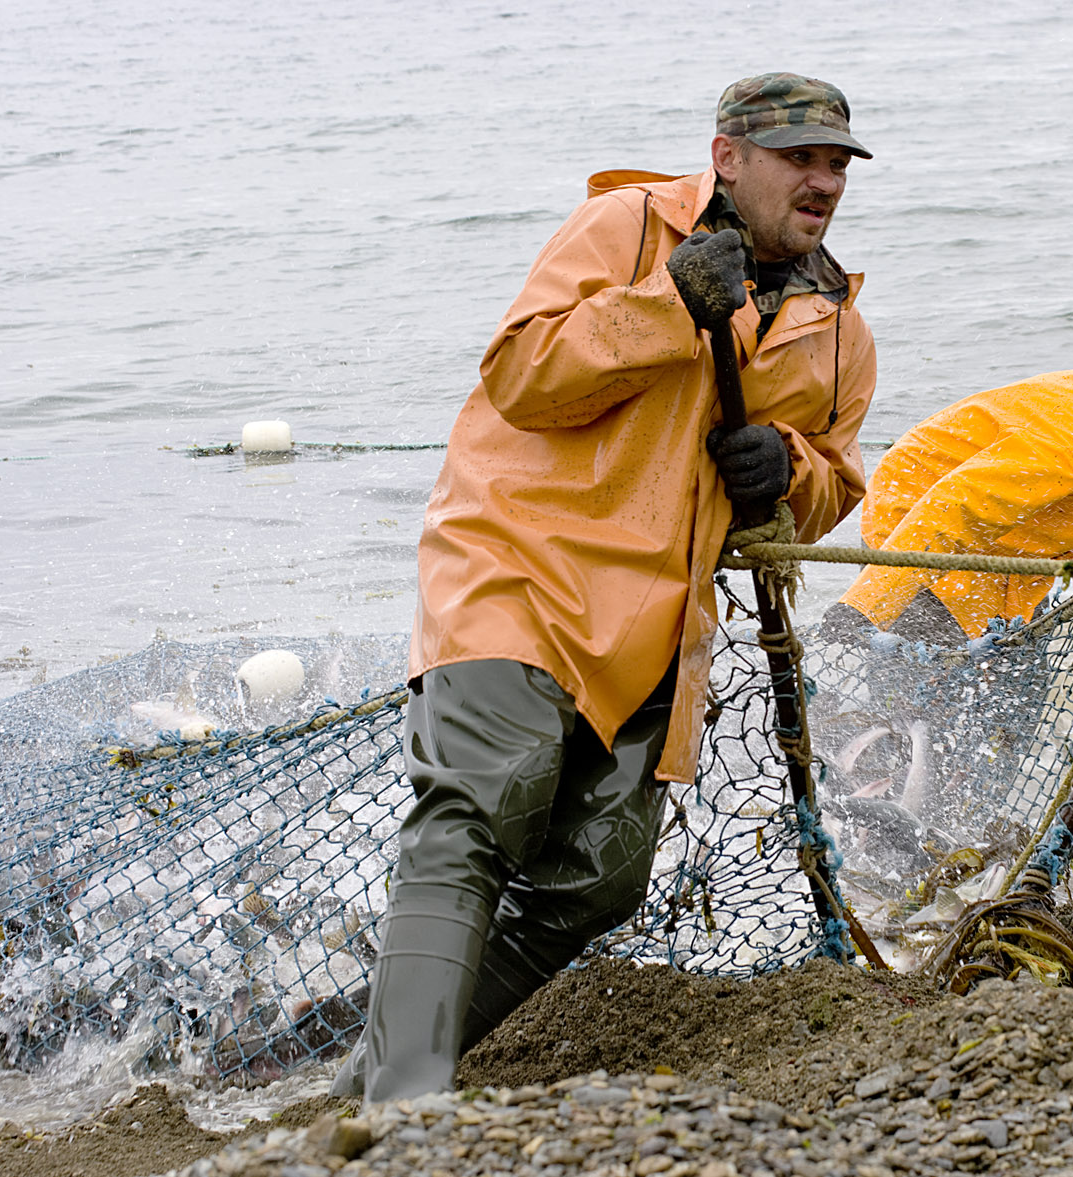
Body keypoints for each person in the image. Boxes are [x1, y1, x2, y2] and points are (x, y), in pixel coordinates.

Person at [335, 73, 877, 1100]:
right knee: (480, 804)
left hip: (659, 620)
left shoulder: (841, 329)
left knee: (598, 877)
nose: (822, 181)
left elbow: (830, 484)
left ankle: (368, 1078)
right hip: (518, 564)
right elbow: (520, 373)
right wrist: (666, 302)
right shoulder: (624, 226)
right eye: (798, 157)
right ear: (726, 158)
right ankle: (405, 1102)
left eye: (836, 162)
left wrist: (787, 473)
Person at [823, 362, 1073, 645]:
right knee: (928, 687)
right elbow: (953, 508)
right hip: (923, 513)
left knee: (1006, 685)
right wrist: (865, 607)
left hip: (1022, 550)